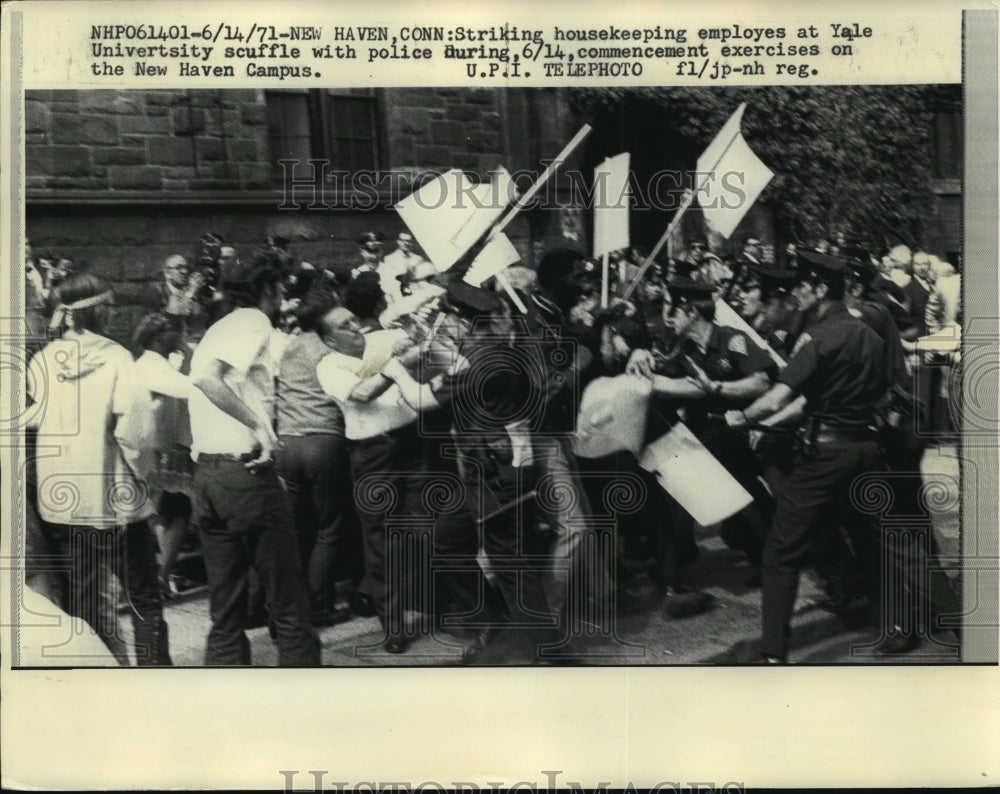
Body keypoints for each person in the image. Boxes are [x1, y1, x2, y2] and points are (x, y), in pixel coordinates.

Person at [725, 252, 890, 662]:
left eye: (804, 285)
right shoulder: (869, 335)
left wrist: (743, 417)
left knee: (781, 553)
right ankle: (884, 619)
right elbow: (815, 402)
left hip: (826, 456)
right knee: (869, 541)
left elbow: (783, 395)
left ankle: (773, 652)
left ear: (819, 290)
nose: (797, 291)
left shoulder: (817, 337)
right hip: (865, 451)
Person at [29, 273, 171, 665]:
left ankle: (101, 676)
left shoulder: (41, 361)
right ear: (95, 311)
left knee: (86, 602)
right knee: (143, 596)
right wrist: (147, 480)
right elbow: (136, 434)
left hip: (63, 503)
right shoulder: (117, 358)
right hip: (117, 502)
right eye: (107, 305)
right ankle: (155, 674)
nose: (112, 311)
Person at [188, 256, 320, 666]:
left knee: (225, 603)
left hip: (209, 474)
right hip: (244, 471)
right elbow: (209, 378)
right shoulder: (252, 321)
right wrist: (259, 426)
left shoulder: (220, 327)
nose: (284, 297)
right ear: (268, 288)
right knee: (287, 595)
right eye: (281, 288)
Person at [274, 288, 360, 627]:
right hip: (322, 442)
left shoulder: (290, 344)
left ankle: (288, 606)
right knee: (329, 527)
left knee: (297, 530)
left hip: (287, 442)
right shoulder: (331, 349)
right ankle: (318, 606)